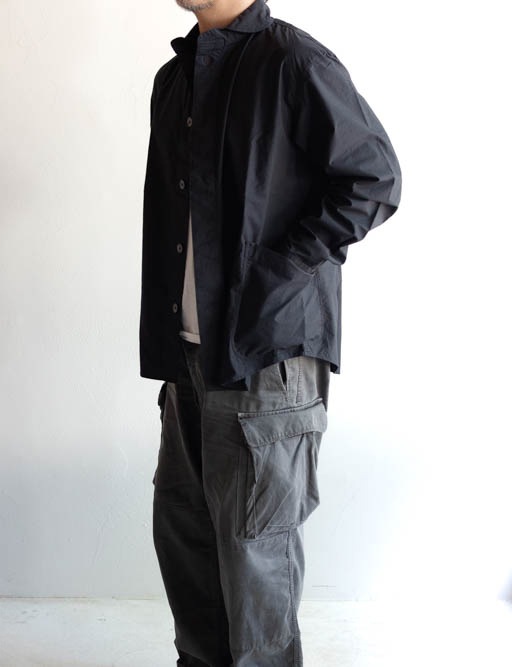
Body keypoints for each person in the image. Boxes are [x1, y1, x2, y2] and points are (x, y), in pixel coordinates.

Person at [140, 0, 401, 664]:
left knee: (256, 571)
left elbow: (374, 179)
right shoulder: (175, 79)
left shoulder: (294, 62)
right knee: (187, 548)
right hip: (189, 360)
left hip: (266, 360)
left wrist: (278, 270)